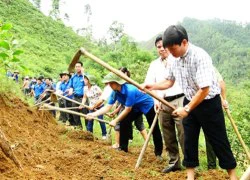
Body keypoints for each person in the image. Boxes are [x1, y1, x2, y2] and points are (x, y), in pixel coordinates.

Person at [144, 25, 237, 180]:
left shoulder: (200, 56)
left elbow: (204, 89)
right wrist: (152, 86)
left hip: (208, 103)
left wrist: (186, 109)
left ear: (184, 42)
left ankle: (233, 176)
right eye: (169, 49)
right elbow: (169, 81)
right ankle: (190, 176)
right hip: (190, 99)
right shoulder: (174, 59)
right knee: (189, 140)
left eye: (173, 49)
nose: (171, 53)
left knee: (219, 140)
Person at [86, 72, 163, 157]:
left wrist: (115, 120)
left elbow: (127, 109)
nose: (109, 85)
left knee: (154, 127)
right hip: (135, 106)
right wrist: (94, 114)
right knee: (124, 122)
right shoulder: (114, 92)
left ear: (117, 82)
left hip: (147, 105)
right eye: (109, 83)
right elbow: (107, 107)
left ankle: (158, 153)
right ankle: (123, 148)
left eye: (111, 83)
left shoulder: (130, 90)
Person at [144, 35, 184, 173]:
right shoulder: (154, 65)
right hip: (163, 102)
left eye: (164, 46)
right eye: (159, 47)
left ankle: (190, 162)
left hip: (180, 100)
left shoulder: (178, 59)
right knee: (168, 135)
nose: (162, 49)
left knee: (183, 133)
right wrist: (156, 101)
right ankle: (174, 162)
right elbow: (150, 84)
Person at [110, 67, 148, 149]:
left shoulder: (130, 85)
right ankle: (119, 144)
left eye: (121, 74)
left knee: (139, 124)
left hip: (134, 107)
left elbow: (129, 102)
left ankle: (147, 142)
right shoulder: (118, 87)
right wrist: (116, 110)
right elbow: (122, 101)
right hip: (126, 106)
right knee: (122, 123)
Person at [80, 74, 107, 139]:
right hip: (91, 106)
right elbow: (84, 97)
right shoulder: (85, 88)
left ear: (89, 81)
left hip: (99, 106)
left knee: (100, 120)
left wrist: (95, 106)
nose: (84, 81)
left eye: (85, 79)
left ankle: (104, 134)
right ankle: (89, 134)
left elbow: (102, 97)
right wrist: (82, 104)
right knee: (90, 119)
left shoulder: (96, 88)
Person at [67, 62, 87, 129]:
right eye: (76, 66)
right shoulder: (73, 77)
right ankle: (79, 128)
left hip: (83, 98)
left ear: (81, 67)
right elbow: (71, 86)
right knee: (75, 114)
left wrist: (83, 74)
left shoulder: (85, 76)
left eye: (79, 66)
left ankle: (88, 130)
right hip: (75, 98)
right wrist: (70, 90)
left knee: (86, 114)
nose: (77, 68)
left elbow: (87, 85)